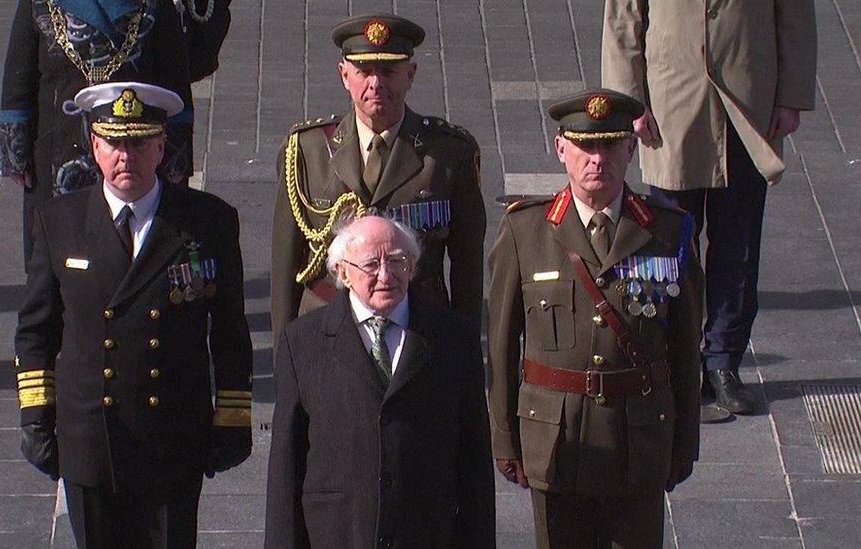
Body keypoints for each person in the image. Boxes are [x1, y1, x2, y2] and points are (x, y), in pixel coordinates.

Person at [13, 82, 253, 547]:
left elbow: (229, 330)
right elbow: (35, 330)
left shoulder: (208, 221)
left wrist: (231, 416)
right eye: (116, 143)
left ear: (162, 146)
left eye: (140, 141)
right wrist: (37, 416)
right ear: (95, 146)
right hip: (90, 439)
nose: (128, 156)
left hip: (172, 437)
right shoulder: (59, 221)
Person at [487, 89, 703, 547]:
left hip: (639, 439)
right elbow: (502, 345)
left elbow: (685, 347)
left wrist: (685, 441)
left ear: (631, 148)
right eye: (585, 146)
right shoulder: (526, 230)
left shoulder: (667, 230)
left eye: (609, 145)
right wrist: (505, 439)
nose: (596, 160)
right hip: (555, 439)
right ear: (560, 147)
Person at [601, 0, 817, 416]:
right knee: (669, 248)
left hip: (748, 102)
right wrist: (629, 100)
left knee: (738, 245)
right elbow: (623, 17)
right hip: (673, 102)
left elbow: (794, 13)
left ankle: (723, 360)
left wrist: (791, 96)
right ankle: (672, 359)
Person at [265, 215, 495, 547]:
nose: (386, 275)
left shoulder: (453, 339)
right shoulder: (303, 342)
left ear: (413, 267)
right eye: (371, 264)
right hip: (337, 533)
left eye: (398, 261)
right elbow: (286, 465)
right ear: (342, 271)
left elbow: (474, 463)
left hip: (426, 534)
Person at [270, 13, 486, 349]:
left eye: (388, 71)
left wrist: (464, 359)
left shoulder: (448, 154)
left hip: (419, 336)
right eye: (364, 72)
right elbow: (285, 269)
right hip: (326, 333)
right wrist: (286, 358)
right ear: (344, 75)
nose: (375, 83)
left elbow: (468, 271)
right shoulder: (307, 150)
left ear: (410, 74)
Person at [0, 0, 232, 266]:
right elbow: (19, 74)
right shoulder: (39, 4)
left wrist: (177, 158)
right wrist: (16, 151)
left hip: (133, 147)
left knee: (136, 248)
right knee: (59, 245)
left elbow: (174, 78)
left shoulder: (156, 5)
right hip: (61, 151)